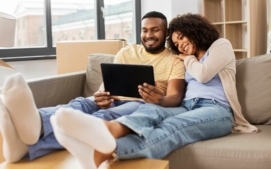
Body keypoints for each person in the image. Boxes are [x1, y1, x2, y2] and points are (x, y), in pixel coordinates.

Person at [49, 13, 258, 169]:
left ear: (195, 31)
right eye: (176, 43)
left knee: (172, 127)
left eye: (183, 38)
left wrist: (188, 58)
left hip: (217, 111)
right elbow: (172, 86)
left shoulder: (221, 45)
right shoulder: (182, 59)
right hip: (187, 106)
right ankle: (106, 133)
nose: (181, 45)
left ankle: (103, 151)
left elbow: (203, 74)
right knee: (151, 111)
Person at [0, 11, 186, 163]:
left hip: (139, 105)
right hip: (111, 99)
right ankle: (37, 122)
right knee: (78, 105)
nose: (148, 35)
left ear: (166, 32)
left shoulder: (174, 61)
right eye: (145, 30)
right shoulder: (127, 52)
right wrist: (100, 96)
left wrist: (160, 99)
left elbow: (175, 96)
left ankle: (27, 147)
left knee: (99, 118)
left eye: (155, 30)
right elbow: (107, 84)